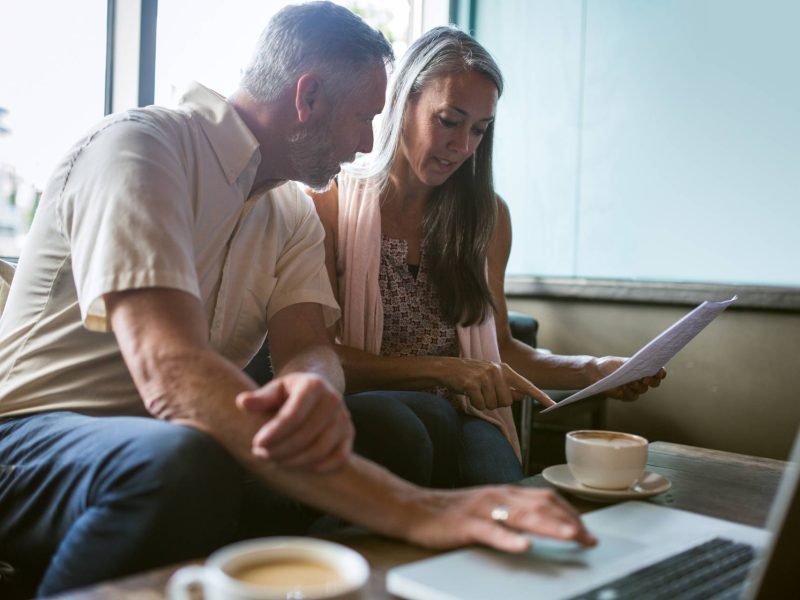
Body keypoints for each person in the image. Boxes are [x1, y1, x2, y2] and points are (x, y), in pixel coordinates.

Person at [0, 4, 595, 597]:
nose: (367, 143)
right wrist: (419, 509)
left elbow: (309, 345)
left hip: (183, 436)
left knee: (386, 427)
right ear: (308, 99)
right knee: (180, 460)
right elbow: (172, 376)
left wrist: (314, 384)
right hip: (33, 437)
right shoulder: (143, 149)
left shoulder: (290, 211)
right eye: (364, 117)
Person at [311, 26, 666, 487]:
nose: (463, 147)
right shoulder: (330, 203)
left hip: (467, 415)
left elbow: (500, 352)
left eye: (480, 129)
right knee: (416, 429)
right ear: (403, 101)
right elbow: (321, 356)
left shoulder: (488, 218)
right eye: (449, 120)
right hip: (377, 412)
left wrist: (598, 371)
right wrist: (446, 371)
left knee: (506, 493)